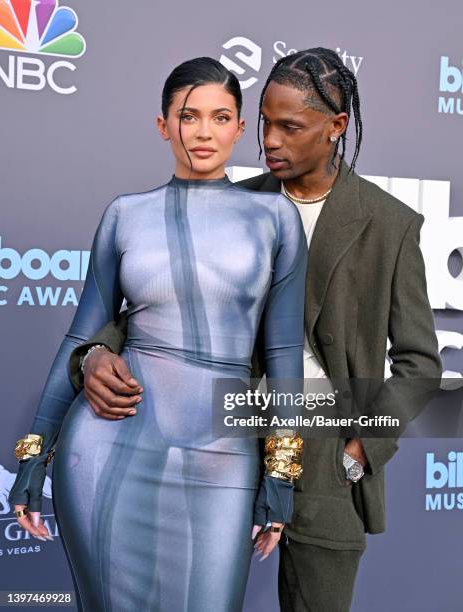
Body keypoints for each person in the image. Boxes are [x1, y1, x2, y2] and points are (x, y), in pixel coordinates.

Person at [72, 48, 442, 612]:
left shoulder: (390, 224)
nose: (268, 140)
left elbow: (420, 364)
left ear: (335, 128)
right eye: (264, 122)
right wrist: (97, 350)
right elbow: (153, 311)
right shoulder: (233, 201)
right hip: (221, 442)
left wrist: (362, 446)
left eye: (289, 127)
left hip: (328, 457)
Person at [8, 57, 308, 612]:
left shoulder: (274, 219)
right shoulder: (125, 215)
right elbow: (80, 338)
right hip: (110, 444)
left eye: (220, 118)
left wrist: (282, 471)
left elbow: (286, 353)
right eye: (188, 116)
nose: (203, 132)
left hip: (224, 452)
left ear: (240, 129)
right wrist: (33, 457)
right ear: (163, 124)